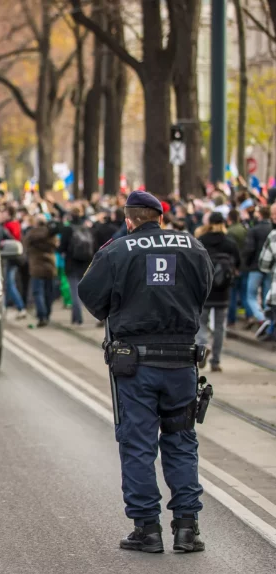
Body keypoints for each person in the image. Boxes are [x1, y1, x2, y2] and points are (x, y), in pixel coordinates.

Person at [78, 191, 213, 554]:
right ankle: (187, 528)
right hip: (182, 361)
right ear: (160, 217)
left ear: (129, 219)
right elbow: (204, 292)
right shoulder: (193, 247)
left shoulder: (117, 250)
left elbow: (90, 294)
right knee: (181, 441)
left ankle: (147, 528)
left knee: (137, 444)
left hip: (135, 364)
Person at [194, 212, 241, 372]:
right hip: (223, 290)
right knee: (220, 326)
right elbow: (238, 263)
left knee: (201, 322)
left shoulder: (201, 240)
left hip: (205, 288)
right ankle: (216, 361)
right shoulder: (229, 242)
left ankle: (202, 346)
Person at [59, 213, 96, 325]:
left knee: (74, 292)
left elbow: (61, 248)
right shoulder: (87, 229)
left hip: (71, 264)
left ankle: (78, 318)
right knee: (83, 291)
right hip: (85, 264)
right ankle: (75, 318)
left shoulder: (67, 229)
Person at [23, 215, 57, 327]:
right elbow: (57, 245)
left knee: (38, 292)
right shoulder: (51, 234)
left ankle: (41, 315)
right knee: (49, 292)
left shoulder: (31, 234)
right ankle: (47, 314)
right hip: (49, 266)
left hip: (36, 266)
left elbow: (25, 247)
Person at [242, 205, 273, 328]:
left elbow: (250, 249)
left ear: (259, 215)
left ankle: (262, 319)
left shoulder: (254, 230)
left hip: (255, 266)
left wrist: (247, 264)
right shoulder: (271, 229)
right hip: (269, 267)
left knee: (251, 296)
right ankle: (269, 322)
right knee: (266, 296)